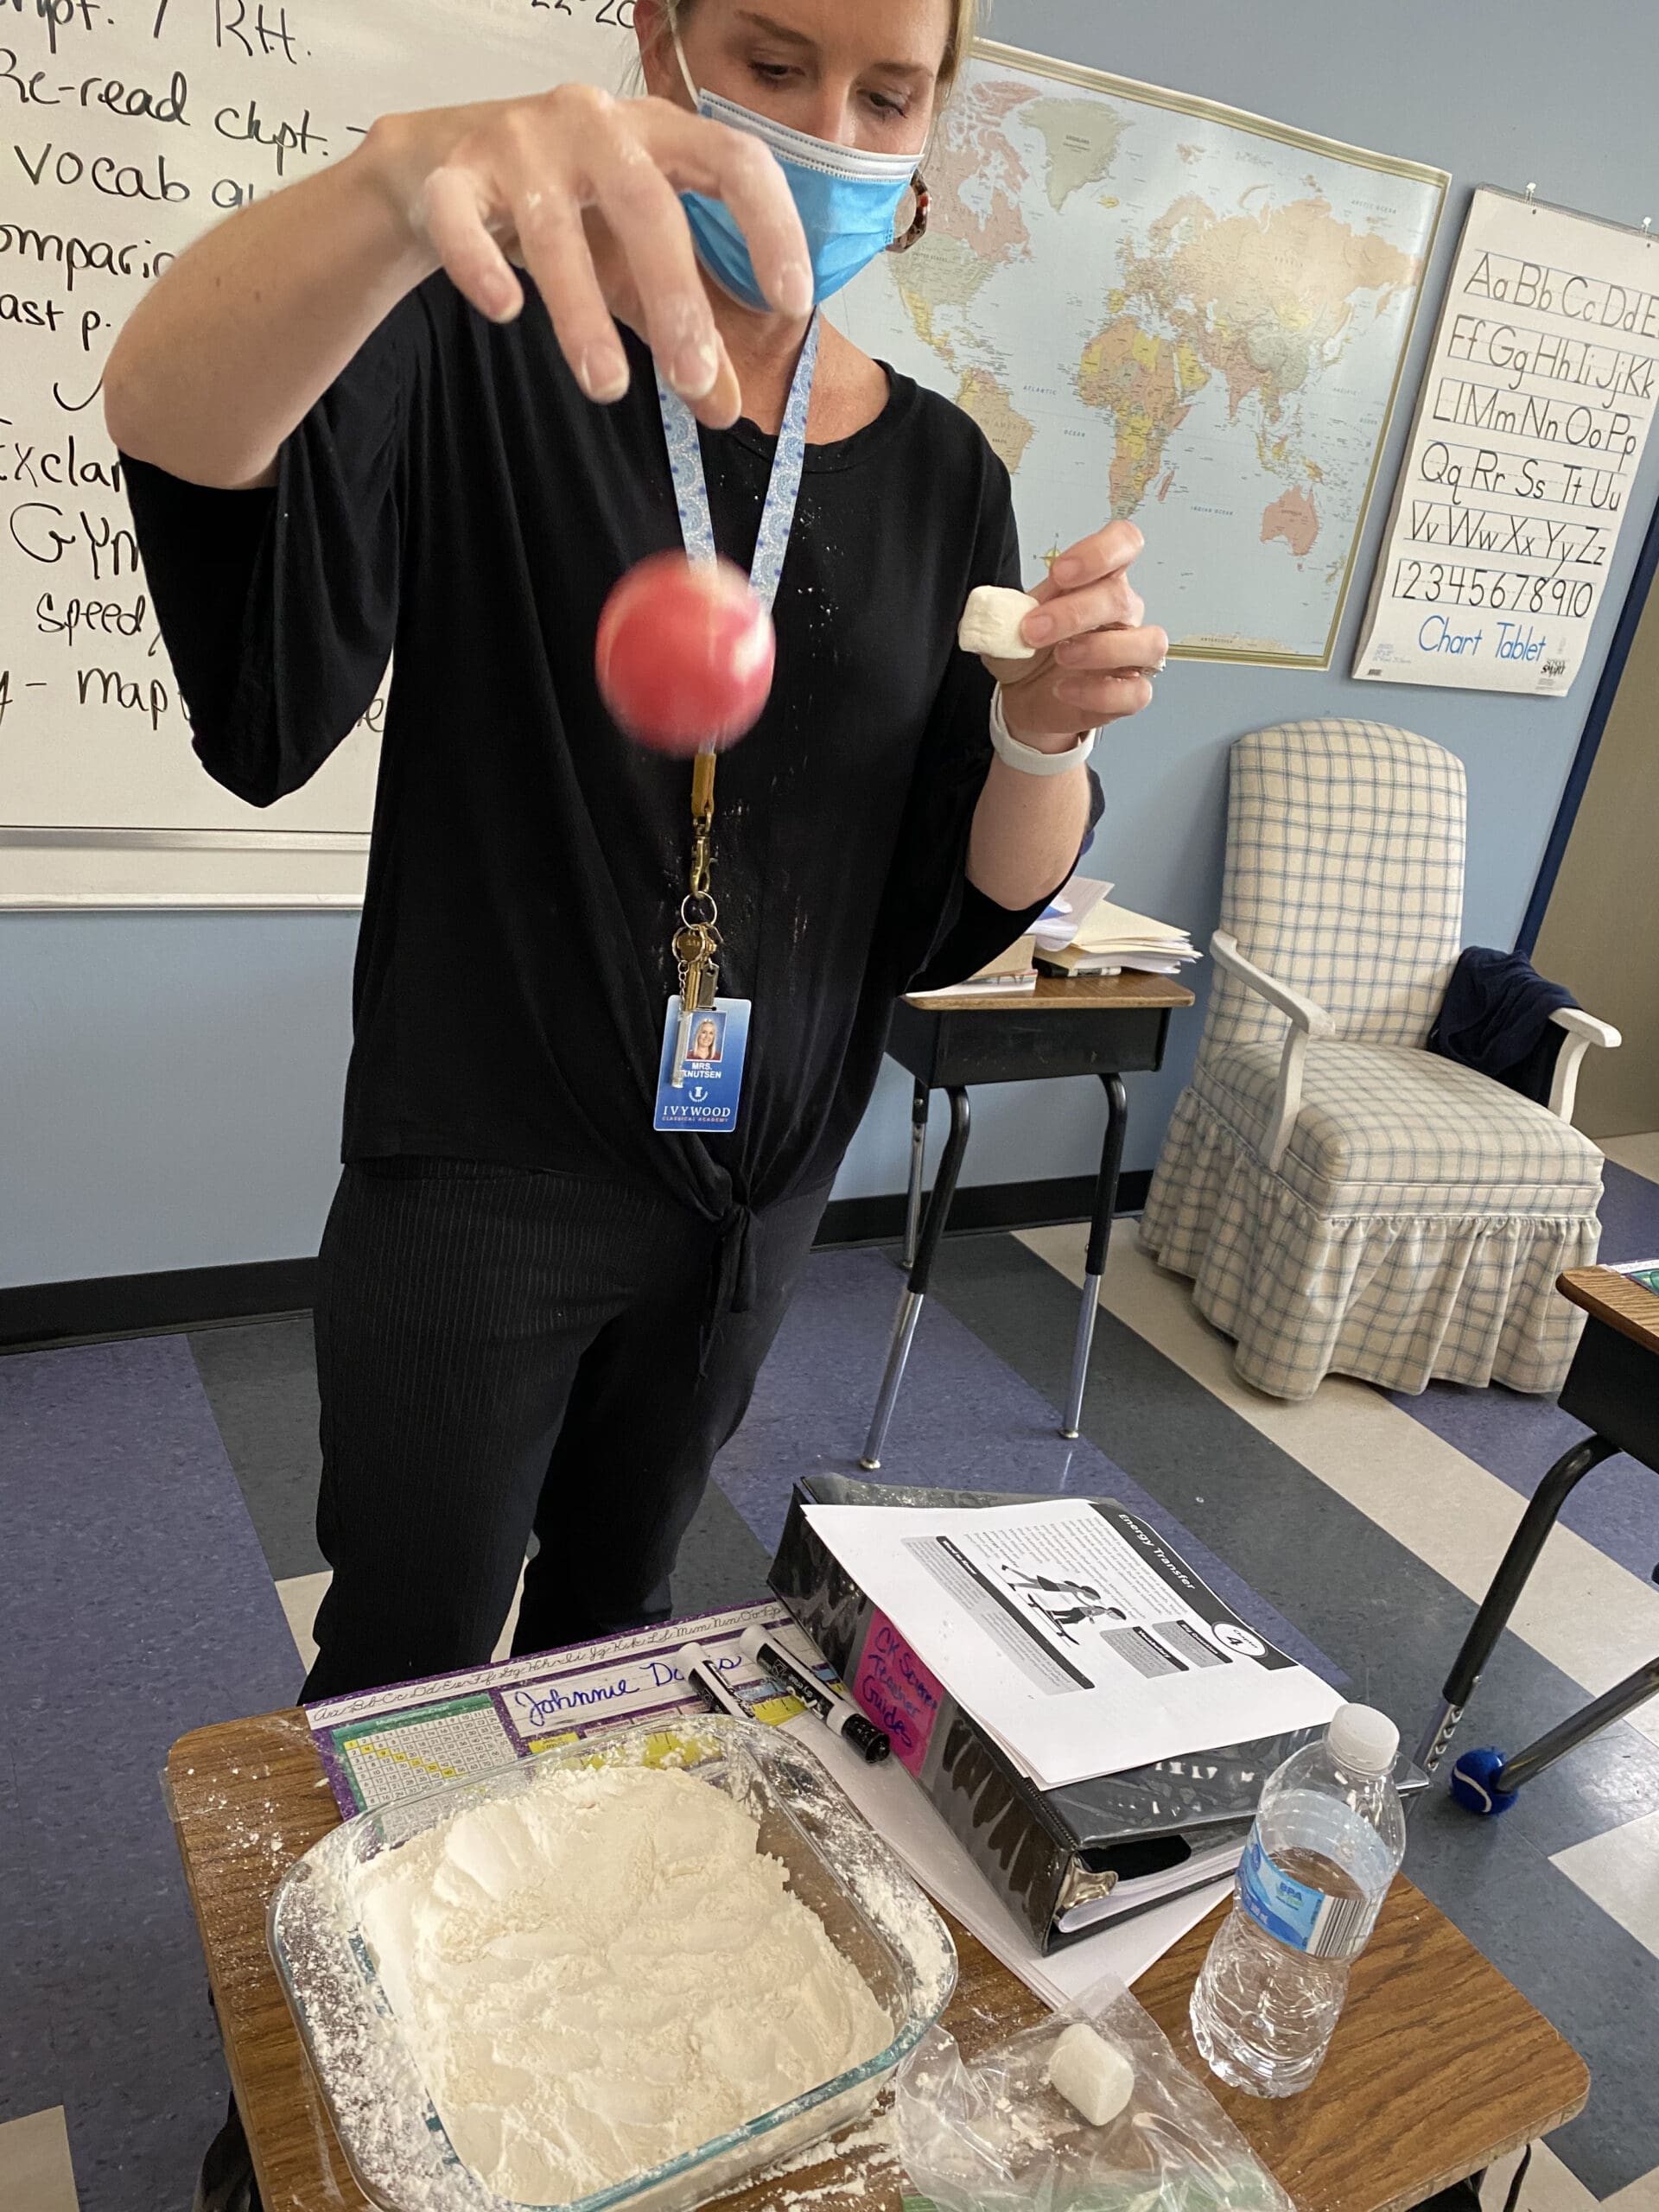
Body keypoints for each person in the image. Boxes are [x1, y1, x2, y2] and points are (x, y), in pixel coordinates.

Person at [106, 0, 1166, 1719]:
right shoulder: (482, 338)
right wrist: (394, 188)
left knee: (621, 1623)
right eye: (769, 61)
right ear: (657, 47)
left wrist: (1049, 735)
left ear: (926, 132)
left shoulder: (945, 472)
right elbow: (189, 470)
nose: (825, 126)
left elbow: (955, 909)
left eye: (886, 93)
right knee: (412, 1651)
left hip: (751, 1186)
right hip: (482, 1173)